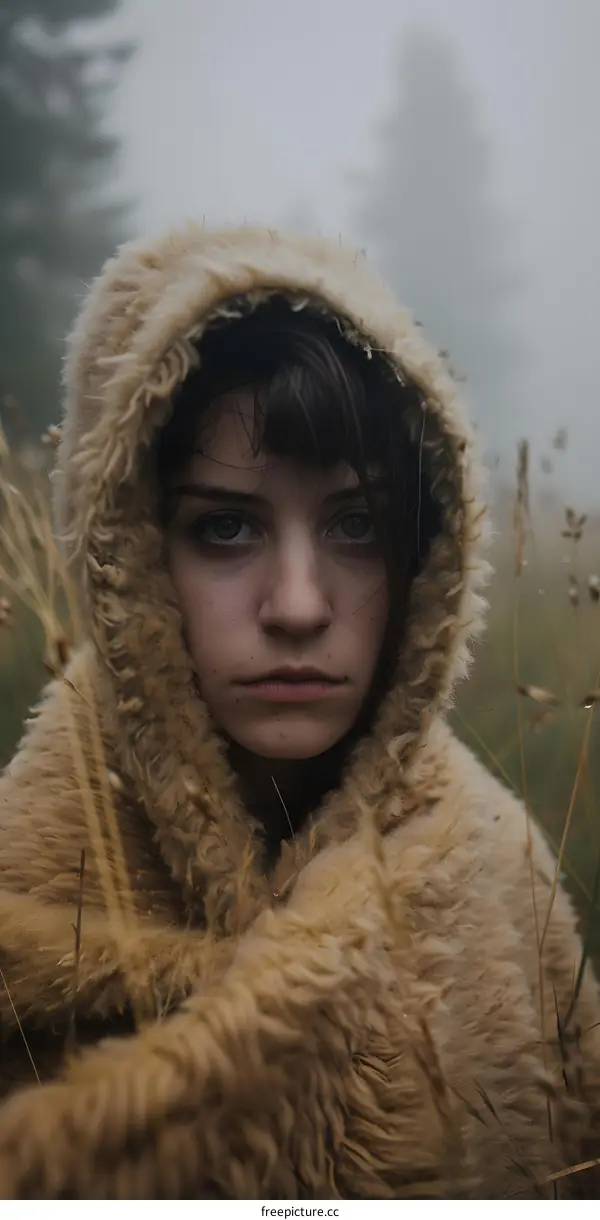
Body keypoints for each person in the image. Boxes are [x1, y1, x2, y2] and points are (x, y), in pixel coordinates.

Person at [0, 222, 598, 1200]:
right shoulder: (28, 872)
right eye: (226, 526)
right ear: (138, 554)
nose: (298, 605)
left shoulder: (502, 871)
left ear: (422, 556)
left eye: (355, 524)